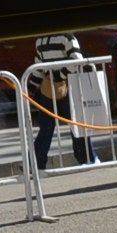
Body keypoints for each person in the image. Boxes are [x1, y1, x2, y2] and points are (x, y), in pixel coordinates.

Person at [27, 32, 90, 170]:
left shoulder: (40, 40)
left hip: (48, 90)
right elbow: (77, 60)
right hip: (68, 88)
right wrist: (59, 75)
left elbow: (39, 69)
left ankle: (34, 163)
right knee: (77, 124)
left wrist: (30, 87)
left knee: (46, 128)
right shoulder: (67, 38)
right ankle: (86, 158)